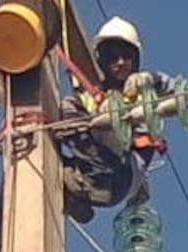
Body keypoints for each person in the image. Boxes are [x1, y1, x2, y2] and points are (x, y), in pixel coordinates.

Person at [61, 16, 173, 224]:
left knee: (105, 122)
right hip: (92, 172)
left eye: (126, 56)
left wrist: (149, 79)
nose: (120, 62)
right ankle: (75, 194)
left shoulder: (145, 92)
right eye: (112, 57)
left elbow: (176, 89)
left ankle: (84, 188)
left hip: (119, 176)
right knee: (66, 111)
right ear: (102, 60)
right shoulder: (92, 95)